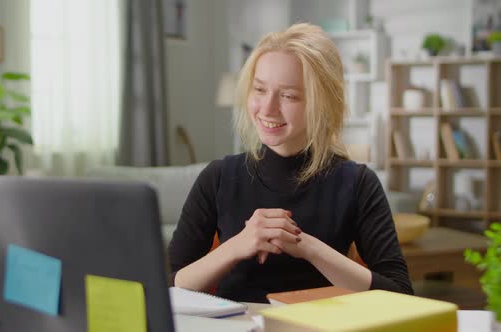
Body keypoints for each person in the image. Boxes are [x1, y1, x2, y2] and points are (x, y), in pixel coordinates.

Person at [167, 22, 413, 303]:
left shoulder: (357, 183)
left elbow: (400, 294)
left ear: (323, 102)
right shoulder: (219, 177)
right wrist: (239, 244)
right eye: (259, 90)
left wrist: (307, 246)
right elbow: (175, 285)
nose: (268, 108)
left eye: (288, 95)